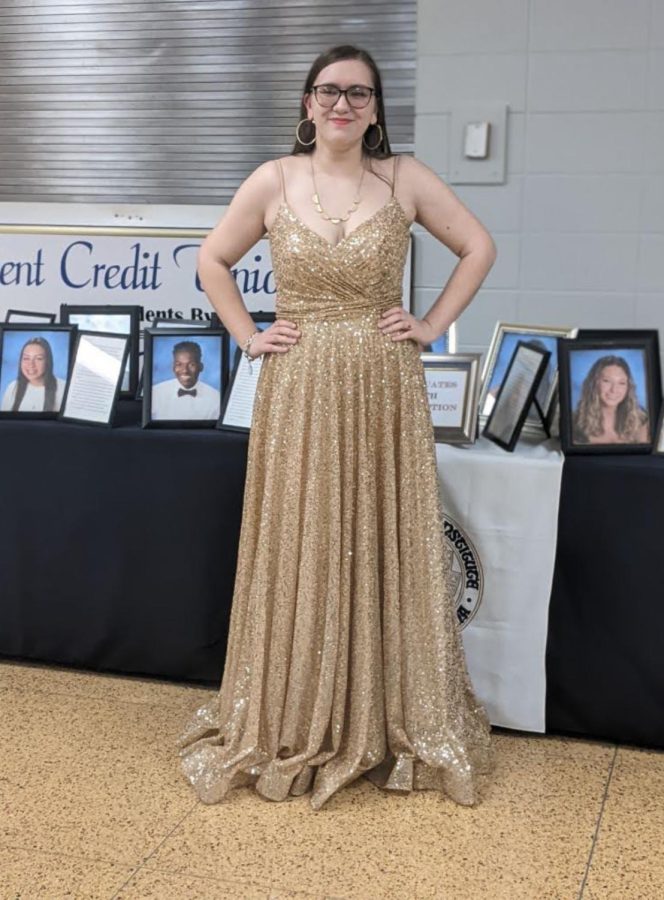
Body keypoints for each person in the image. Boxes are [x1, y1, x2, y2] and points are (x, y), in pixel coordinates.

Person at [178, 45, 496, 811]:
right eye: (329, 91)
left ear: (377, 108)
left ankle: (382, 713)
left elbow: (478, 247)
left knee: (379, 532)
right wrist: (250, 335)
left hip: (384, 382)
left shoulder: (407, 178)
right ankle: (292, 711)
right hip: (298, 382)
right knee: (304, 532)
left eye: (358, 93)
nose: (342, 104)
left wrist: (431, 324)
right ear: (308, 103)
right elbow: (211, 259)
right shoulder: (273, 178)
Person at [573, 354, 649, 445]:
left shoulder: (641, 420)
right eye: (606, 381)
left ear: (628, 387)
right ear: (594, 384)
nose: (614, 390)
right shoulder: (575, 423)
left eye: (621, 383)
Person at [151, 340, 220, 420]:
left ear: (201, 367)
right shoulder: (155, 393)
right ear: (173, 367)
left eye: (191, 365)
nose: (185, 371)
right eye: (179, 365)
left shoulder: (215, 397)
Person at [0, 336, 65, 413]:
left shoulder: (63, 388)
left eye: (38, 358)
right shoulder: (13, 387)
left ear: (48, 361)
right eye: (26, 358)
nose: (31, 364)